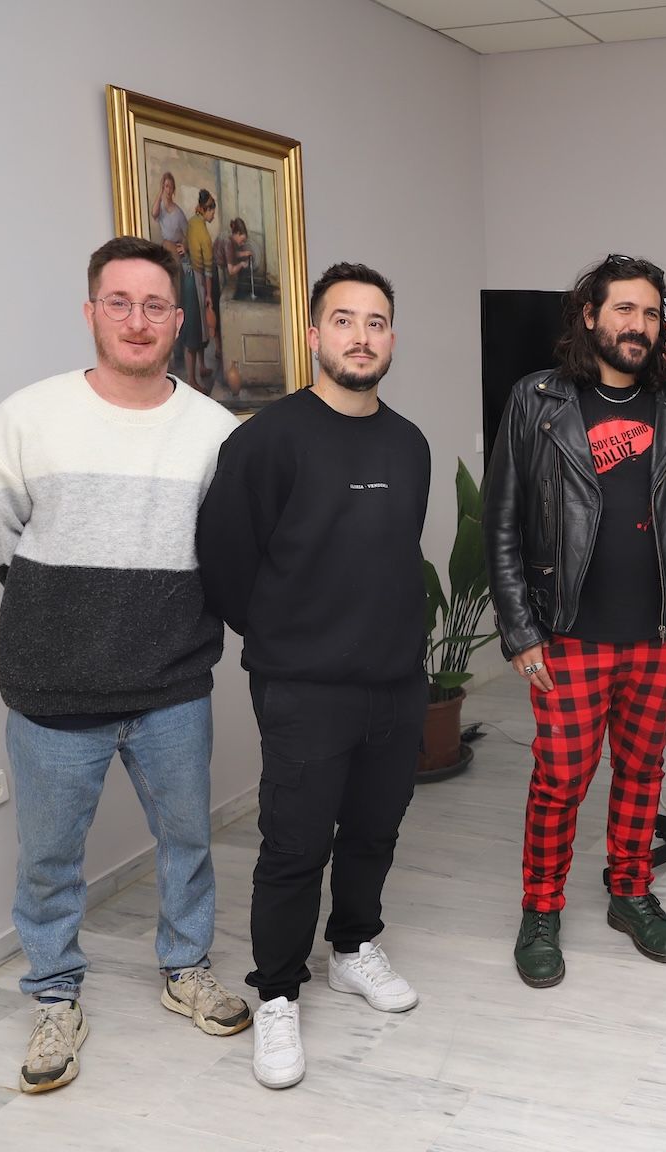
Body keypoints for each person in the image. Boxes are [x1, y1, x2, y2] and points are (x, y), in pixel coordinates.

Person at [0, 235, 249, 1094]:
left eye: (155, 305)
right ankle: (55, 996)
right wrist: (71, 617)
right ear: (91, 311)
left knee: (188, 841)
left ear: (178, 319)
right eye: (119, 302)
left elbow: (227, 548)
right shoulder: (27, 417)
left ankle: (185, 968)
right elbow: (0, 534)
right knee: (49, 858)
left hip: (171, 687)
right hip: (53, 689)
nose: (137, 320)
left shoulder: (213, 431)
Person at [197, 262, 431, 1089]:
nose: (360, 337)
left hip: (397, 683)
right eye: (343, 321)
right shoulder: (264, 440)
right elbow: (225, 565)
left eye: (375, 322)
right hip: (303, 686)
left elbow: (397, 555)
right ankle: (277, 994)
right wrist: (287, 637)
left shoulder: (409, 443)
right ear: (313, 335)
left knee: (375, 829)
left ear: (390, 339)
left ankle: (353, 948)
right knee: (295, 847)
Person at [483, 254, 666, 990]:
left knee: (642, 771)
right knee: (561, 779)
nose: (639, 325)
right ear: (589, 316)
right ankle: (541, 909)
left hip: (662, 638)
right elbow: (501, 524)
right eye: (624, 309)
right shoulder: (538, 401)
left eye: (652, 313)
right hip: (565, 636)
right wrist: (520, 630)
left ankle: (629, 892)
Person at [183, 190, 217, 389]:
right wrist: (209, 296)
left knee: (202, 329)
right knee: (195, 331)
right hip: (196, 282)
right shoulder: (204, 234)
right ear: (206, 209)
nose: (214, 216)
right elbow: (208, 270)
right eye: (212, 212)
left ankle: (202, 366)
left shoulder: (192, 222)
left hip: (190, 279)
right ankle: (191, 379)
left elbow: (186, 245)